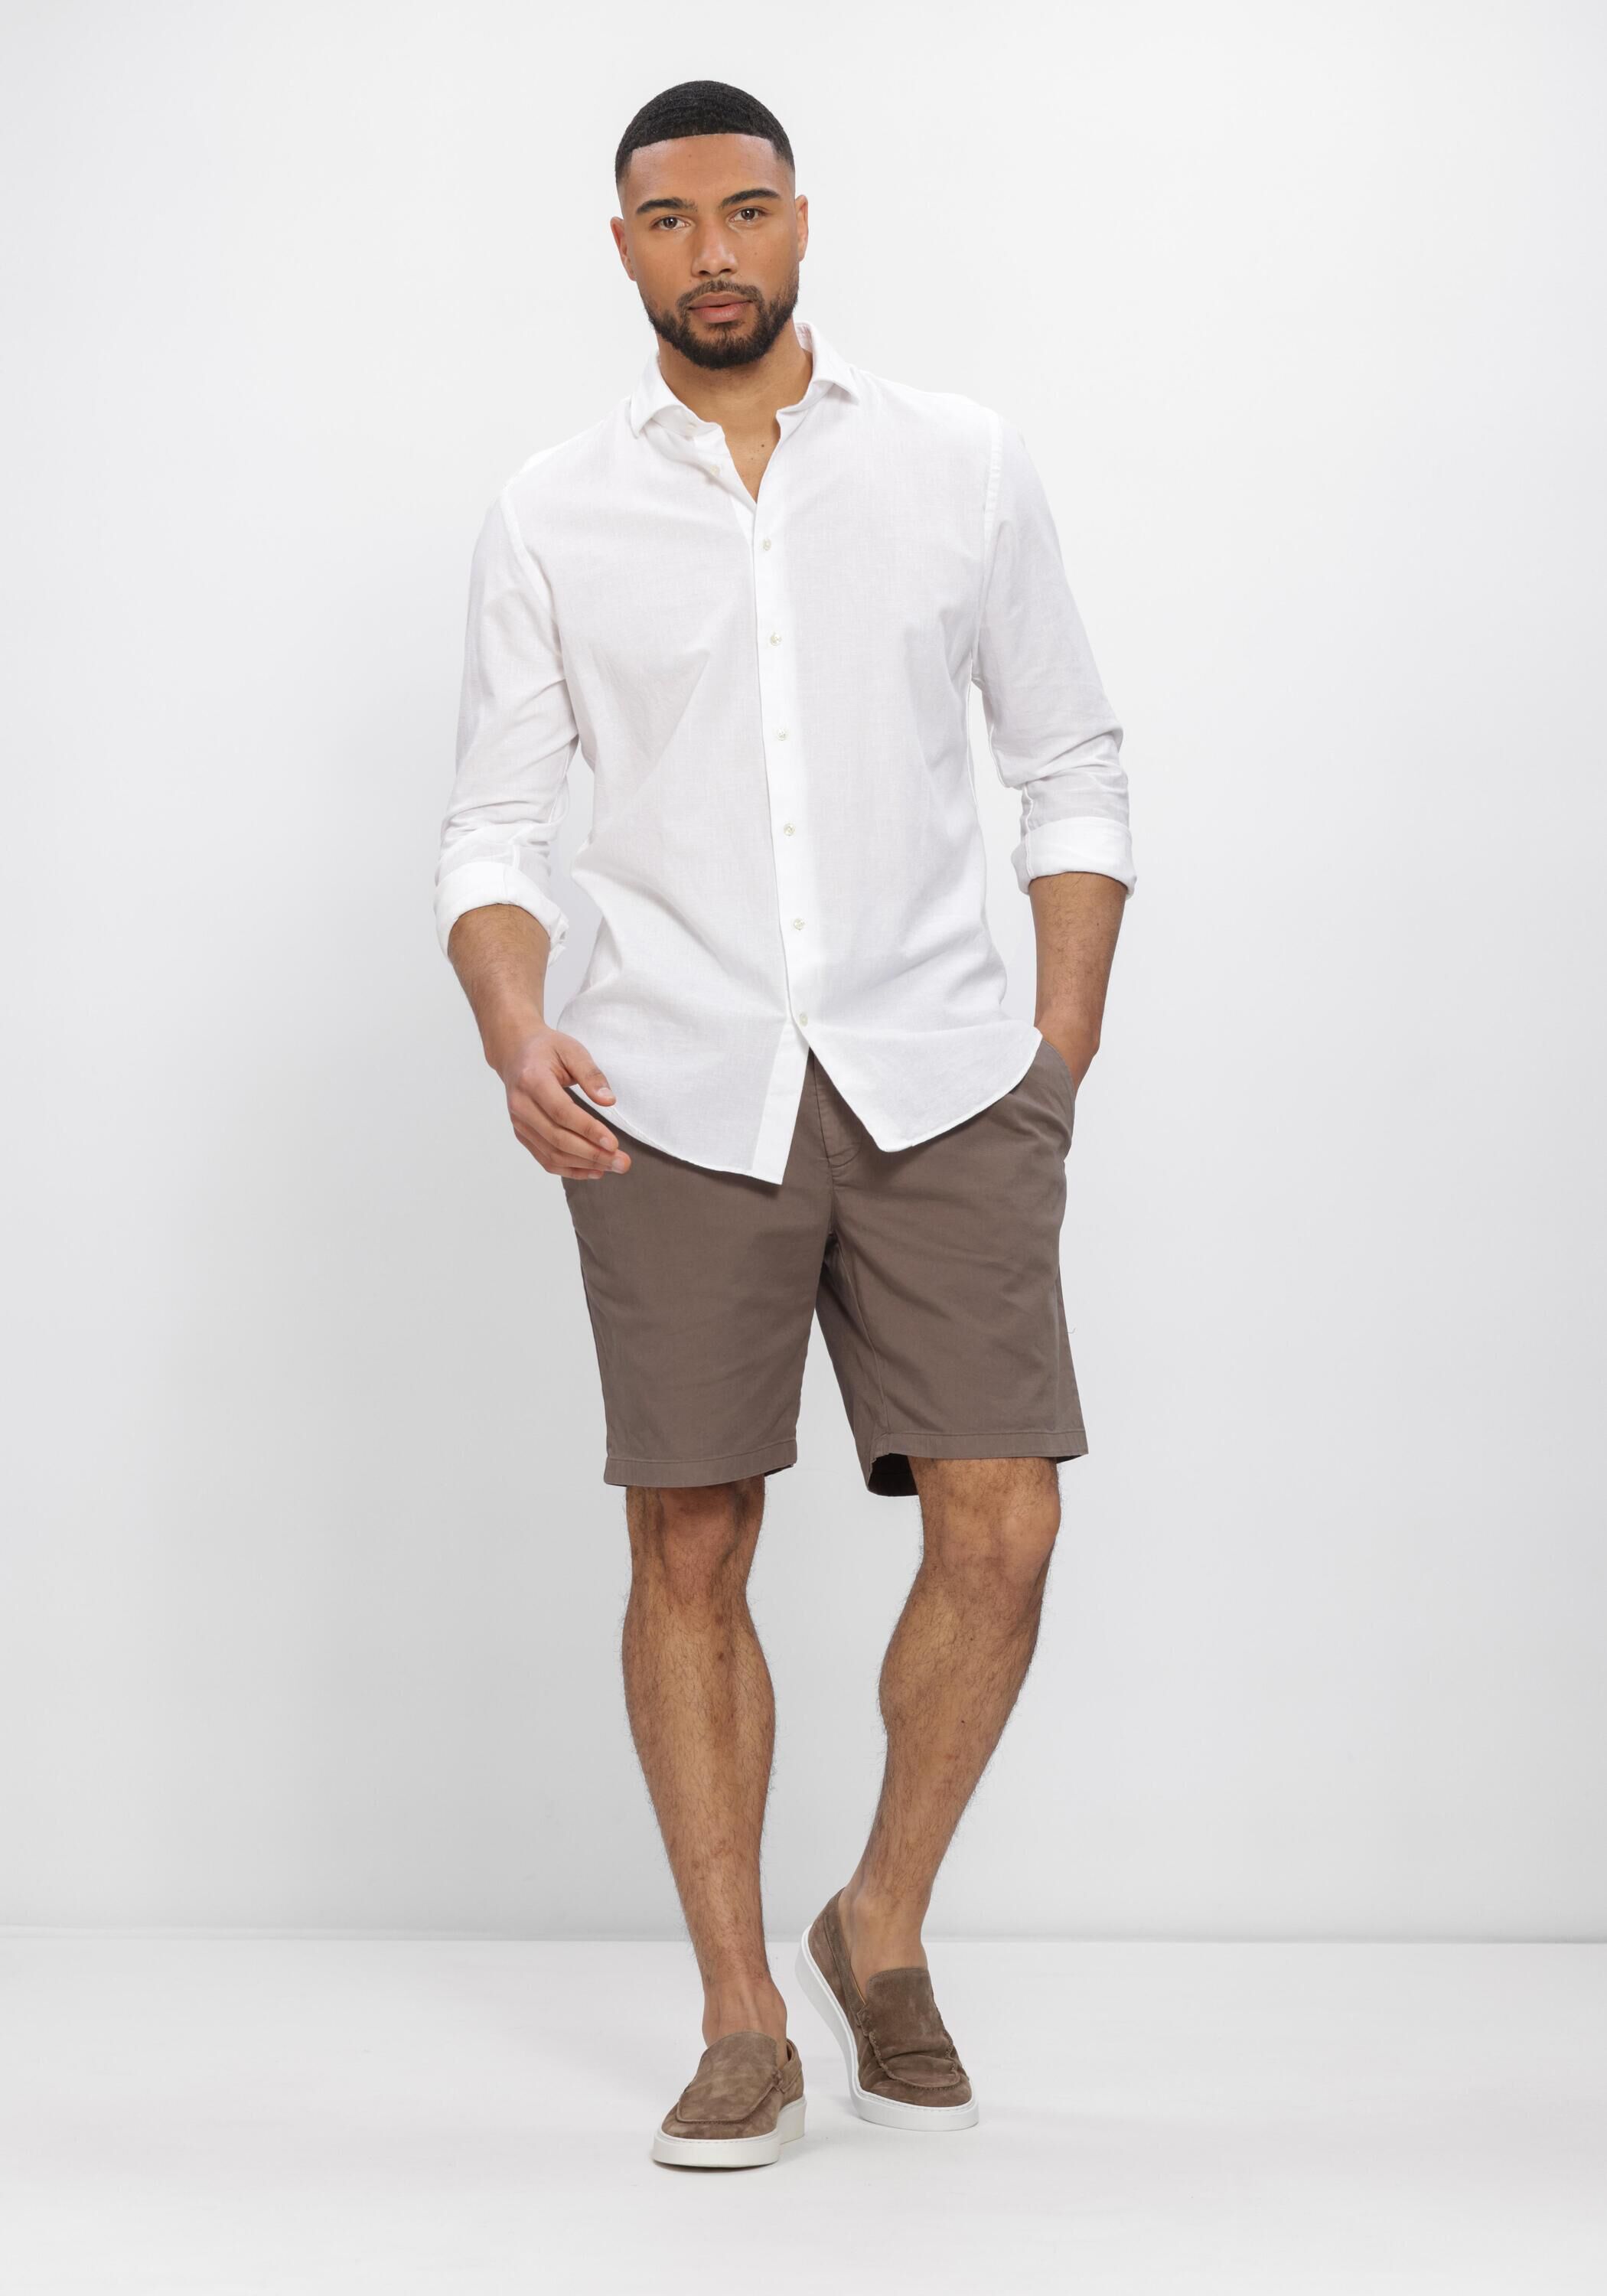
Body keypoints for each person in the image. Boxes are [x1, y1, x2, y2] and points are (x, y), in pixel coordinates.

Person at [435, 78, 1134, 2170]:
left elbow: (1071, 759)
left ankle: (877, 1920)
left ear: (801, 221)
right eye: (671, 220)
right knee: (690, 1536)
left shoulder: (959, 464)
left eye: (746, 211)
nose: (714, 252)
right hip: (670, 1091)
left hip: (942, 1076)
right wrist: (512, 1021)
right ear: (623, 246)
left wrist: (1060, 1039)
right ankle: (740, 2009)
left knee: (1003, 1523)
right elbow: (496, 821)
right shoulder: (549, 512)